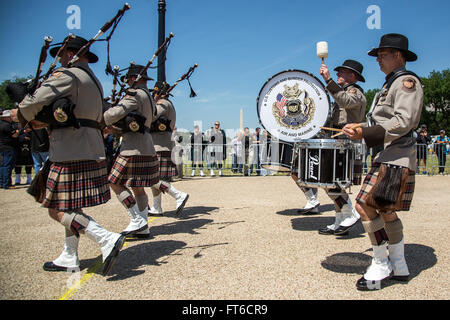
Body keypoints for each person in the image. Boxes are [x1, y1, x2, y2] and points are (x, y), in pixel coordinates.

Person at [13, 35, 125, 276]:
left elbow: (32, 103)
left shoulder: (67, 75)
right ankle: (69, 255)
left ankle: (105, 238)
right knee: (71, 206)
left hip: (69, 149)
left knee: (56, 208)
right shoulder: (94, 80)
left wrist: (19, 110)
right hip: (90, 148)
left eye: (62, 53)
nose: (59, 58)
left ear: (72, 53)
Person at [342, 33, 423, 290]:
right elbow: (381, 121)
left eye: (382, 55)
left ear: (398, 56)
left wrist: (365, 132)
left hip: (396, 155)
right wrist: (359, 127)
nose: (378, 59)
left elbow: (403, 122)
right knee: (386, 211)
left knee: (363, 206)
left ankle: (381, 262)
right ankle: (399, 265)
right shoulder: (390, 84)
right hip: (389, 155)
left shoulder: (406, 82)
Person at [294, 59, 366, 236]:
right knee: (329, 182)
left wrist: (328, 81)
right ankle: (340, 220)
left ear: (353, 76)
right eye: (338, 72)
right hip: (337, 141)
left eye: (342, 72)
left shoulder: (355, 92)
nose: (338, 74)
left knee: (333, 182)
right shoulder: (342, 93)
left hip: (347, 142)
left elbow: (346, 102)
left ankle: (350, 213)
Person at [105, 64, 160, 239]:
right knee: (137, 188)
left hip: (132, 147)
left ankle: (136, 218)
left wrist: (104, 114)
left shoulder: (134, 94)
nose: (127, 82)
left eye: (128, 78)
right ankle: (143, 228)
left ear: (133, 78)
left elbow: (114, 114)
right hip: (146, 145)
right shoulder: (150, 97)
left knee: (114, 182)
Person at [148, 81, 189, 216]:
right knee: (157, 178)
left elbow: (151, 116)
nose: (153, 95)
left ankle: (178, 195)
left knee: (152, 178)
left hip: (160, 145)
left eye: (154, 92)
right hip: (159, 144)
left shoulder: (163, 104)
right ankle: (157, 207)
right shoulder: (165, 104)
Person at [0, 110, 19, 189]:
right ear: (7, 118)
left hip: (2, 147)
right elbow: (14, 135)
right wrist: (18, 131)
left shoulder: (1, 124)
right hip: (8, 147)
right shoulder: (7, 125)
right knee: (8, 166)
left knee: (3, 165)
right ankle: (7, 183)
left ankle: (2, 182)